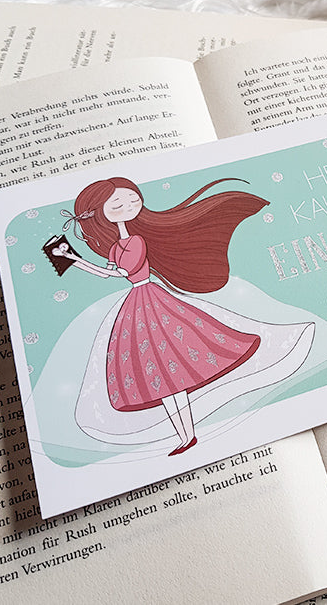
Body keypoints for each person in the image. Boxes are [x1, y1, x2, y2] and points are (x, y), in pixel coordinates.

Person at [55, 176, 269, 456]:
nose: (128, 206)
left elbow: (122, 273)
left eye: (133, 199)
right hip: (135, 306)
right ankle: (186, 436)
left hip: (152, 301)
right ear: (101, 213)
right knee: (158, 374)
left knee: (174, 364)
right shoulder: (115, 247)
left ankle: (189, 434)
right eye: (117, 204)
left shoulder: (137, 241)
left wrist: (74, 259)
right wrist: (73, 260)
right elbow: (106, 273)